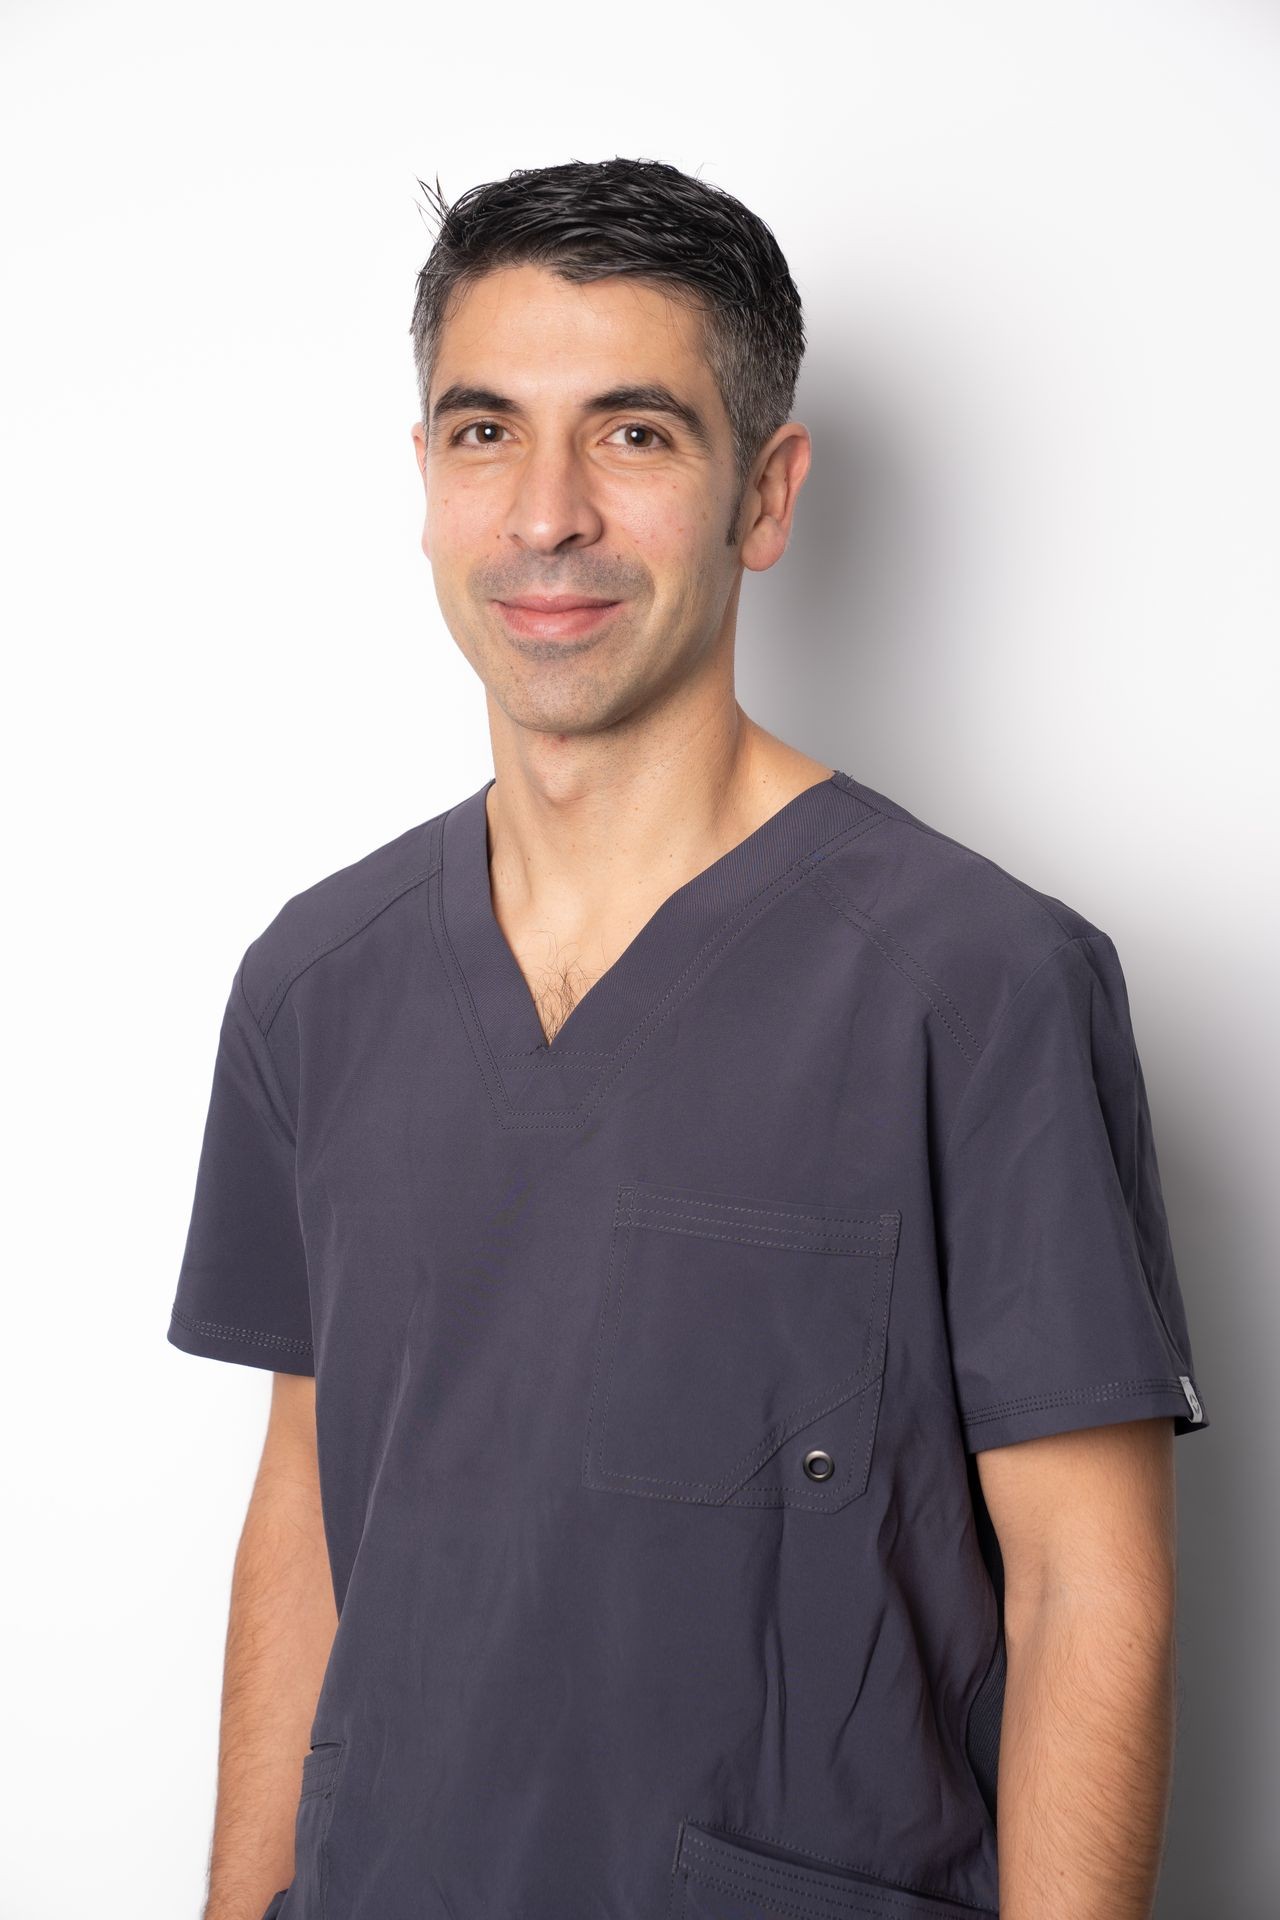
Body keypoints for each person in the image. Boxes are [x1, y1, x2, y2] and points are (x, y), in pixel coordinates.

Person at [168, 156, 1210, 1920]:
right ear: (427, 477)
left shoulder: (979, 981)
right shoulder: (317, 981)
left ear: (766, 493)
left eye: (635, 436)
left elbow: (1086, 1593)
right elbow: (309, 1510)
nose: (548, 513)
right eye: (487, 432)